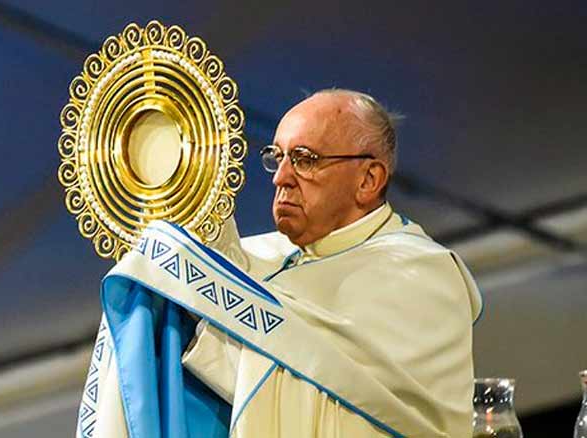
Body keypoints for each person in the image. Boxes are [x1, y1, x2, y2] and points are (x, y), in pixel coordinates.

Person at [76, 89, 482, 438]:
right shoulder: (265, 255)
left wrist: (203, 321)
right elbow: (233, 295)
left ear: (368, 179)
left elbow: (303, 377)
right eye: (277, 156)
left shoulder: (421, 277)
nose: (280, 177)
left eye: (305, 159)